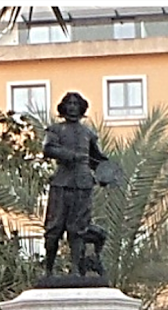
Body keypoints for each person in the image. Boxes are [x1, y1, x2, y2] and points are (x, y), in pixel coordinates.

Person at [43, 91, 109, 277]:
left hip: (83, 184)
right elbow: (48, 148)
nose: (72, 106)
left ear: (82, 108)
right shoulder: (55, 130)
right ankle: (48, 271)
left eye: (76, 103)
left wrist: (107, 174)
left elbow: (97, 159)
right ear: (63, 107)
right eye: (69, 103)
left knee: (78, 229)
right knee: (53, 229)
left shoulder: (88, 133)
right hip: (62, 183)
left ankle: (75, 270)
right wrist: (70, 155)